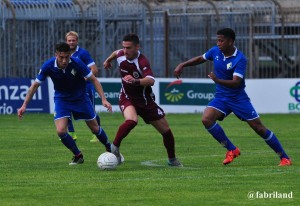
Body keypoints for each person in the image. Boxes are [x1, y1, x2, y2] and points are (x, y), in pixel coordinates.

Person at [174, 28, 291, 166]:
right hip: (222, 97)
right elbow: (201, 58)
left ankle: (284, 158)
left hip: (238, 98)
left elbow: (236, 82)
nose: (218, 43)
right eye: (217, 40)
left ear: (230, 41)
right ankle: (232, 149)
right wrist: (183, 64)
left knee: (259, 128)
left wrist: (218, 81)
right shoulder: (215, 51)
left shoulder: (240, 59)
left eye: (221, 40)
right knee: (206, 119)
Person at [18, 42, 112, 165]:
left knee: (94, 128)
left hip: (80, 98)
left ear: (70, 55)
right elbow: (35, 85)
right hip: (62, 99)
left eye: (67, 57)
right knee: (61, 131)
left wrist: (104, 99)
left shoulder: (77, 62)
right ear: (56, 55)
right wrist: (24, 105)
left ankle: (109, 147)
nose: (64, 60)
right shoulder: (48, 66)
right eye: (61, 57)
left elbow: (94, 79)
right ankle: (78, 155)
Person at [103, 33, 182, 167]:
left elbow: (150, 80)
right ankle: (114, 147)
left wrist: (136, 81)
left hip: (145, 100)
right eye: (124, 47)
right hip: (127, 97)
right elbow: (115, 53)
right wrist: (107, 61)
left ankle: (172, 159)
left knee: (166, 131)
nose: (125, 51)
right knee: (132, 120)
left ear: (137, 47)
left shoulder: (142, 62)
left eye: (129, 48)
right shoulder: (121, 54)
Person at [65, 31, 100, 143]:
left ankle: (97, 133)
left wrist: (83, 78)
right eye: (69, 40)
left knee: (90, 111)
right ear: (66, 41)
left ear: (77, 41)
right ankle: (71, 133)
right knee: (65, 109)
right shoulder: (63, 54)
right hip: (70, 88)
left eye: (73, 40)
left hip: (86, 87)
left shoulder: (83, 53)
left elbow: (94, 69)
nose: (71, 42)